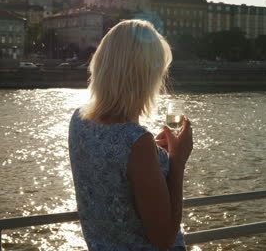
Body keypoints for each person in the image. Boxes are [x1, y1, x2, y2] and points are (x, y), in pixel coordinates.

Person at [68, 19, 193, 251]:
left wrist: (151, 156)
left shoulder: (78, 120)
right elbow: (164, 238)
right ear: (144, 76)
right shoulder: (136, 141)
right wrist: (177, 162)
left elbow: (113, 175)